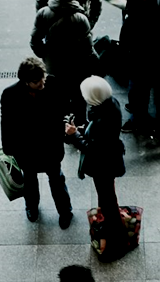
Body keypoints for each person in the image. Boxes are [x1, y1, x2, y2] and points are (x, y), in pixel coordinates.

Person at [0, 57, 73, 228]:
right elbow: (6, 123)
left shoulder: (53, 84)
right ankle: (31, 207)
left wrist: (66, 127)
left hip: (50, 146)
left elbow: (66, 108)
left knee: (56, 179)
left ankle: (65, 211)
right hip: (26, 148)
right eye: (36, 81)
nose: (42, 84)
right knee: (30, 180)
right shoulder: (10, 94)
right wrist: (8, 149)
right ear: (25, 81)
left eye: (43, 78)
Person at [64, 76, 128, 262]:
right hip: (109, 161)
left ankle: (117, 243)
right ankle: (110, 225)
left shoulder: (102, 121)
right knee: (107, 197)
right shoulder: (110, 104)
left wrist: (75, 134)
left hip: (103, 166)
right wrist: (82, 130)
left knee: (109, 202)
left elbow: (93, 149)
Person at [31, 0, 98, 128]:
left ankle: (60, 122)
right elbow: (88, 48)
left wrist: (45, 55)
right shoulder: (80, 18)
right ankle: (79, 123)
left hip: (53, 64)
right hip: (76, 64)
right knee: (78, 95)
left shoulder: (44, 13)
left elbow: (35, 40)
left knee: (56, 94)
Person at [118, 0, 159, 133]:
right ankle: (137, 110)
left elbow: (128, 39)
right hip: (146, 56)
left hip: (140, 59)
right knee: (140, 89)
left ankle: (137, 119)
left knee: (138, 90)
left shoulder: (136, 13)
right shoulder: (147, 0)